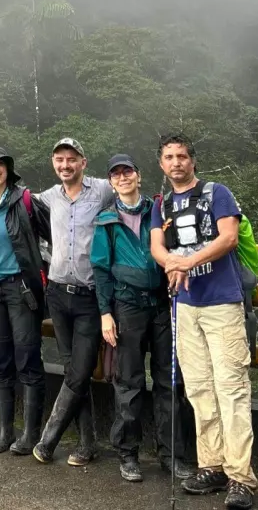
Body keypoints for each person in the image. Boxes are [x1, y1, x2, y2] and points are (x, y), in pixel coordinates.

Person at [150, 133, 257, 510]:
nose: (176, 162)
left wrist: (185, 263)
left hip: (221, 302)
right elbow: (156, 247)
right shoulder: (161, 204)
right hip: (184, 305)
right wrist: (170, 263)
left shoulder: (217, 193)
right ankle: (211, 464)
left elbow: (228, 238)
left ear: (192, 161)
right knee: (198, 389)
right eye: (169, 157)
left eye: (182, 156)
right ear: (161, 164)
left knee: (232, 388)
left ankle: (240, 476)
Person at [91, 153, 192, 482]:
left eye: (128, 171)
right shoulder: (106, 221)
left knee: (168, 382)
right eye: (116, 174)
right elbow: (101, 271)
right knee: (129, 381)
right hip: (127, 305)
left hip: (162, 304)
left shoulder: (159, 211)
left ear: (138, 174)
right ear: (111, 181)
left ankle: (171, 455)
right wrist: (105, 313)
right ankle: (128, 452)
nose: (123, 177)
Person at [32, 137, 114, 466]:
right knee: (72, 370)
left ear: (83, 161)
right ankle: (87, 443)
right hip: (57, 293)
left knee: (79, 372)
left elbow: (129, 188)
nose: (65, 165)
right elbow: (6, 197)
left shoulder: (103, 190)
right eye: (59, 160)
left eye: (71, 159)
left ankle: (48, 439)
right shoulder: (49, 197)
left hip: (90, 297)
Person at [0, 145, 50, 455]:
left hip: (21, 289)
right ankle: (5, 431)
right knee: (0, 360)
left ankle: (30, 434)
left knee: (28, 358)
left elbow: (51, 236)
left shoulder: (26, 200)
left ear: (8, 168)